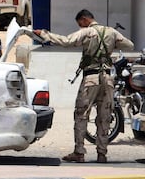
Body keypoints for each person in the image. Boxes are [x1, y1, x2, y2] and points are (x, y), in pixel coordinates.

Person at [33, 9, 134, 163]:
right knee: (104, 117)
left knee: (81, 115)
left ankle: (79, 153)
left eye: (81, 23)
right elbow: (130, 45)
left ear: (85, 19)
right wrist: (110, 45)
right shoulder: (111, 32)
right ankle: (102, 154)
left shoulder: (87, 32)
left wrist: (44, 34)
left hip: (91, 78)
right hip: (107, 79)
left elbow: (66, 41)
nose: (80, 27)